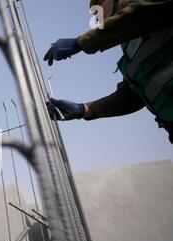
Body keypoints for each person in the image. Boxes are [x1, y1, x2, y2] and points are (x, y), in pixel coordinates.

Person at [43, 0, 173, 143]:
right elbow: (131, 96)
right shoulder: (131, 50)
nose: (100, 19)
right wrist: (84, 109)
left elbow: (137, 15)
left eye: (100, 10)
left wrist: (81, 43)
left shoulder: (153, 8)